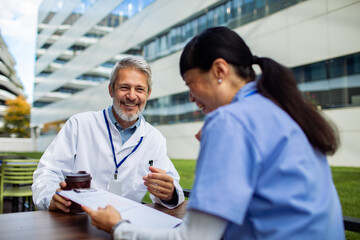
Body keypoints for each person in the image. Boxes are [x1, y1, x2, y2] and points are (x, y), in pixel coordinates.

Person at [82, 27, 345, 239]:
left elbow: (195, 237)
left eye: (190, 84)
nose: (192, 98)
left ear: (219, 71)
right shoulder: (280, 108)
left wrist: (118, 228)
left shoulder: (229, 121)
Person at [32, 56, 185, 212]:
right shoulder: (79, 124)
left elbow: (173, 186)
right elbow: (48, 171)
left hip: (125, 224)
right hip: (79, 221)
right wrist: (50, 196)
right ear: (111, 89)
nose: (132, 96)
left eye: (139, 89)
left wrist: (169, 193)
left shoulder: (154, 138)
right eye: (124, 87)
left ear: (148, 94)